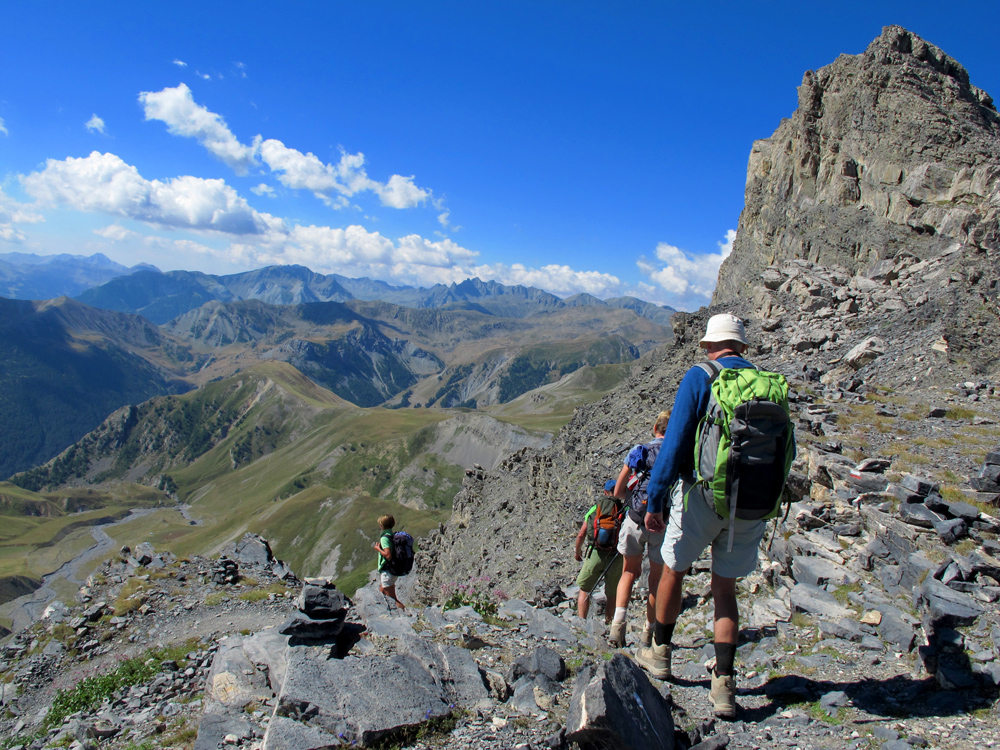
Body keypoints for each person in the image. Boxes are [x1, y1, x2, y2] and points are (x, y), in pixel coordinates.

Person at [637, 313, 787, 719]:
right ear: (740, 345)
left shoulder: (701, 376)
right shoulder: (767, 383)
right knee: (725, 590)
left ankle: (661, 653)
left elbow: (676, 441)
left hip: (702, 497)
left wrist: (656, 498)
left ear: (709, 344)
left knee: (673, 569)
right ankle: (724, 687)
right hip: (751, 503)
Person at [608, 411, 669, 648]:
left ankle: (617, 628)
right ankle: (648, 634)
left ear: (655, 427)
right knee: (655, 579)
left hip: (635, 519)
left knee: (628, 573)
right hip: (661, 524)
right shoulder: (676, 454)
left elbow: (618, 490)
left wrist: (632, 501)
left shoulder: (639, 451)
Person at [574, 480, 625, 622]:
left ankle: (581, 623)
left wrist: (577, 552)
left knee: (585, 590)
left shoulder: (595, 509)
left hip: (595, 553)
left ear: (605, 492)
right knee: (612, 594)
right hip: (616, 555)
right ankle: (609, 625)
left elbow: (581, 534)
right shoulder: (624, 510)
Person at [373, 514, 405, 609]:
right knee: (381, 591)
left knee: (392, 599)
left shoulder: (384, 538)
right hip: (393, 569)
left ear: (382, 525)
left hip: (388, 570)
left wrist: (378, 548)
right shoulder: (392, 535)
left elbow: (387, 554)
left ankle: (405, 614)